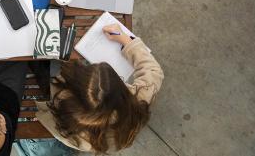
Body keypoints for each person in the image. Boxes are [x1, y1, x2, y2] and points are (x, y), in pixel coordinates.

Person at [34, 24, 164, 153]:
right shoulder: (138, 99)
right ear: (121, 89)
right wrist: (124, 39)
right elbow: (153, 71)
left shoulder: (62, 114)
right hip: (102, 143)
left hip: (72, 136)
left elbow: (48, 116)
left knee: (45, 67)